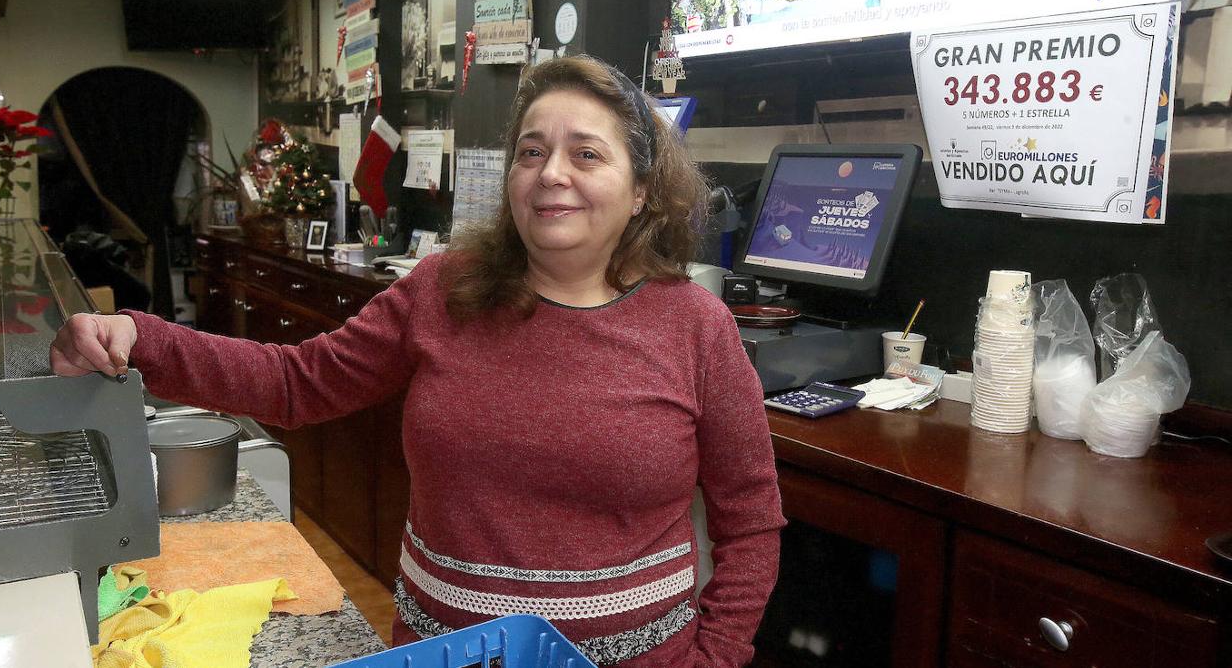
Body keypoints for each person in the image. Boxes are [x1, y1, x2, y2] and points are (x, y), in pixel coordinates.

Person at [50, 55, 785, 667]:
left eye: (586, 153)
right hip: (447, 653)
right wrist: (140, 337)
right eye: (532, 151)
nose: (551, 172)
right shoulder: (443, 291)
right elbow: (296, 383)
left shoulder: (695, 325)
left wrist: (717, 657)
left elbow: (750, 521)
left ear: (642, 191)